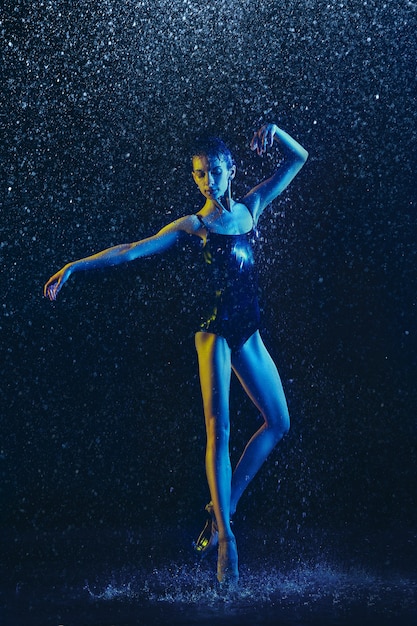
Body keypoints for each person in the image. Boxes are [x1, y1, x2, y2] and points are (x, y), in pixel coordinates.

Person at [44, 122, 308, 585]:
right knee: (219, 428)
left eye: (213, 172)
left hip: (248, 331)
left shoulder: (251, 208)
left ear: (230, 169)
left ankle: (219, 506)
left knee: (279, 421)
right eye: (198, 175)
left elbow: (298, 158)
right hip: (213, 333)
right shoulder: (195, 225)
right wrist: (75, 267)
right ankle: (226, 537)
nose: (206, 181)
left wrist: (274, 130)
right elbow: (131, 252)